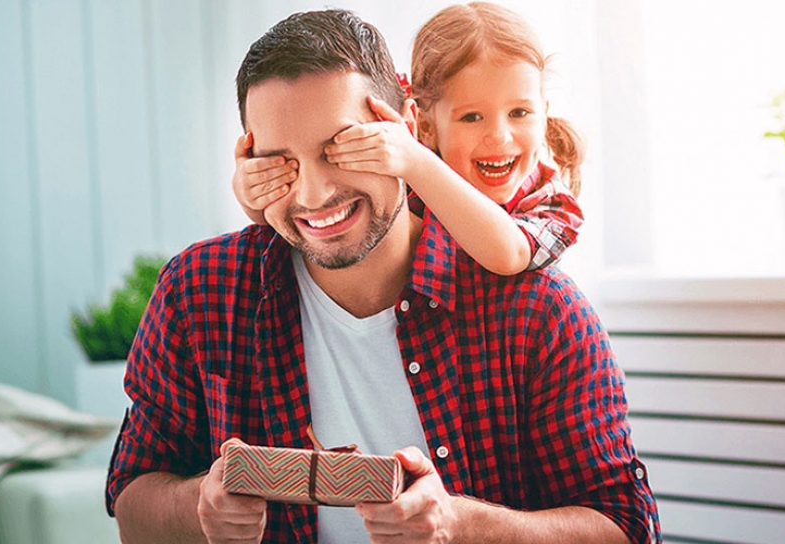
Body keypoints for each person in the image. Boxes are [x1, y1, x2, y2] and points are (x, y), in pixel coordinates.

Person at [106, 7, 661, 544]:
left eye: (342, 149)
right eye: (281, 162)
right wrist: (199, 506)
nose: (313, 195)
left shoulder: (540, 309)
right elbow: (132, 508)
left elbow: (628, 528)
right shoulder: (199, 291)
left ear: (407, 130)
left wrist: (460, 526)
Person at [232, 2, 584, 276]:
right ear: (426, 126)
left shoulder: (549, 201)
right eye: (472, 117)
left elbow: (509, 256)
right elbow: (309, 211)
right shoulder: (400, 177)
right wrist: (253, 194)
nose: (499, 135)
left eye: (520, 113)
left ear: (544, 111)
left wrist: (415, 160)